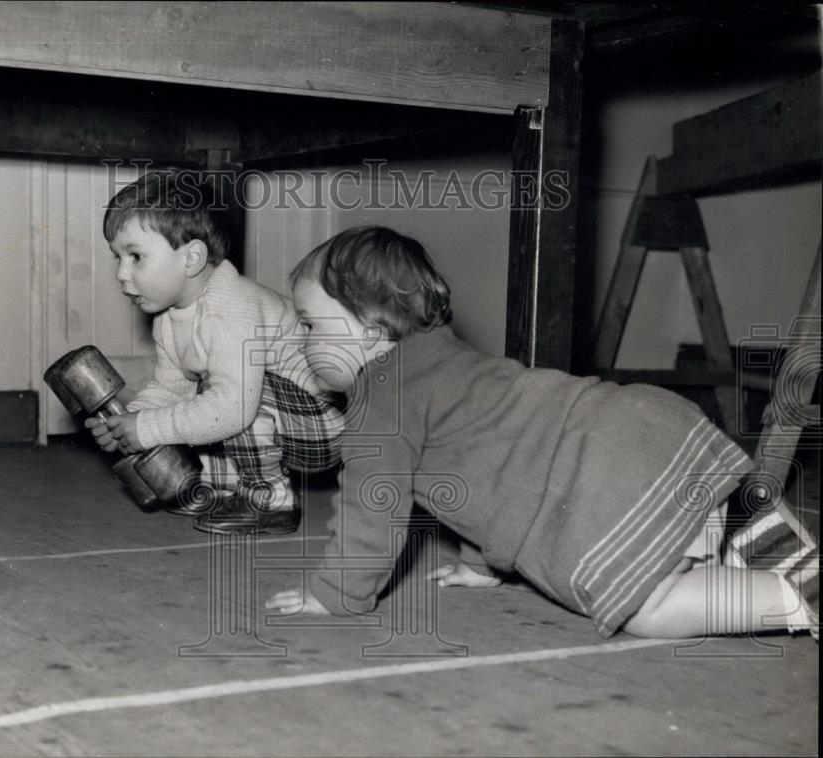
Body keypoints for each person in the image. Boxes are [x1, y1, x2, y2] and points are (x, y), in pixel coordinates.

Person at [265, 225, 817, 639]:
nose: (304, 341)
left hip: (601, 472)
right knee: (684, 534)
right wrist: (483, 565)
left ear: (368, 328)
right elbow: (489, 468)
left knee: (646, 609)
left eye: (311, 324)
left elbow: (374, 506)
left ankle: (791, 599)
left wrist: (336, 595)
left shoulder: (379, 397)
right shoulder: (443, 361)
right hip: (643, 426)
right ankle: (747, 537)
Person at [87, 169, 343, 535]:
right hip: (278, 421)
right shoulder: (169, 318)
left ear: (191, 259)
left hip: (326, 427)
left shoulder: (231, 306)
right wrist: (129, 422)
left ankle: (269, 499)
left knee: (232, 400)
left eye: (136, 257)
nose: (121, 274)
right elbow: (169, 389)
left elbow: (234, 409)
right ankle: (220, 488)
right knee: (200, 398)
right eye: (118, 258)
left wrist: (147, 428)